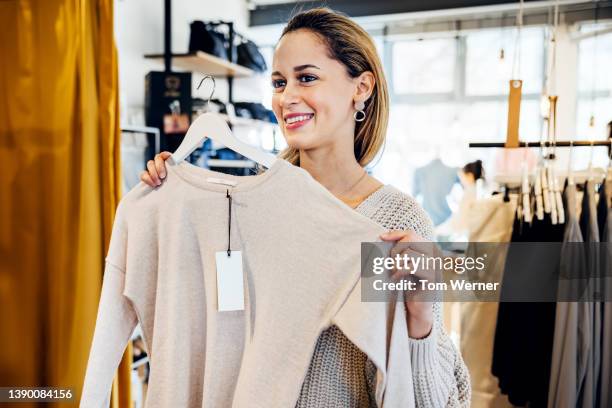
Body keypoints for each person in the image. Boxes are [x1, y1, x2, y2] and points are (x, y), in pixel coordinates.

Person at [140, 8, 470, 407]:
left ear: (361, 87)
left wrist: (419, 323)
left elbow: (425, 401)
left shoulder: (392, 222)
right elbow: (213, 332)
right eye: (279, 82)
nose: (286, 98)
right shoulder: (248, 206)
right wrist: (169, 204)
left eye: (307, 78)